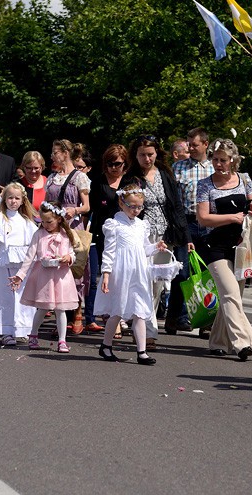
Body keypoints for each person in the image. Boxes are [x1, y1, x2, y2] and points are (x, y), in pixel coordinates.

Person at [196, 138, 252, 360]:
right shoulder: (205, 185)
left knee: (232, 297)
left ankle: (217, 341)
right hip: (215, 246)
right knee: (230, 293)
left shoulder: (244, 180)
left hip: (241, 246)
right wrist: (231, 217)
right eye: (214, 159)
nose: (217, 164)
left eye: (222, 160)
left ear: (233, 160)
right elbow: (203, 218)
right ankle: (244, 342)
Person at [124, 135, 192, 349]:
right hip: (140, 237)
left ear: (157, 154)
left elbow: (177, 207)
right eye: (143, 155)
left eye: (151, 154)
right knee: (143, 284)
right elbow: (124, 206)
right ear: (135, 155)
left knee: (158, 285)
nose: (147, 158)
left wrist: (186, 238)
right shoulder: (131, 178)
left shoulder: (165, 174)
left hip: (164, 238)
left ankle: (144, 328)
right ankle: (147, 331)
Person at [93, 185, 166, 365]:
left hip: (138, 273)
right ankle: (106, 345)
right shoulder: (114, 225)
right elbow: (109, 252)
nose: (136, 210)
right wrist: (106, 273)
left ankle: (142, 352)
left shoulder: (141, 225)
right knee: (118, 311)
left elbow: (143, 250)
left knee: (140, 311)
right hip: (121, 272)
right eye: (132, 206)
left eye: (139, 207)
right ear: (121, 203)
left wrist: (156, 247)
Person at [10, 201, 77, 352]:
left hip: (62, 277)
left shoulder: (66, 234)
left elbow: (72, 253)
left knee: (61, 309)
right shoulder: (39, 234)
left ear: (59, 219)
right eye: (43, 222)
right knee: (42, 308)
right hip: (44, 277)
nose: (46, 225)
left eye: (49, 222)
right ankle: (33, 334)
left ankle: (62, 340)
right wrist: (20, 275)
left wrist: (69, 258)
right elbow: (29, 256)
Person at [46, 140, 92, 335]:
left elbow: (87, 206)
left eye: (55, 152)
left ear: (65, 153)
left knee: (75, 269)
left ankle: (77, 313)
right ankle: (61, 318)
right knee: (57, 271)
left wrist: (74, 210)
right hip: (55, 226)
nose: (52, 156)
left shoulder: (79, 177)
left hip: (72, 227)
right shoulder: (51, 178)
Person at [172, 127, 214, 335]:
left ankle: (206, 320)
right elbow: (173, 199)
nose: (191, 148)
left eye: (195, 144)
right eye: (189, 144)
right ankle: (177, 316)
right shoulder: (178, 167)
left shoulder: (215, 168)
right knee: (182, 272)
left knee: (206, 272)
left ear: (206, 144)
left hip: (208, 223)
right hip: (185, 221)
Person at [86, 144, 129, 335]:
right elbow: (92, 210)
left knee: (121, 278)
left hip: (125, 236)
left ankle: (119, 315)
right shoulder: (98, 182)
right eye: (110, 163)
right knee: (102, 277)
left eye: (118, 163)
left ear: (125, 163)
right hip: (101, 234)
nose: (113, 167)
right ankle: (109, 316)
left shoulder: (130, 182)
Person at [0, 182, 38, 346]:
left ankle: (23, 328)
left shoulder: (26, 221)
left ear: (22, 200)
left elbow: (35, 240)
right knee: (5, 296)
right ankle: (6, 330)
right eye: (10, 197)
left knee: (23, 296)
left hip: (23, 264)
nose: (13, 201)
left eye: (17, 198)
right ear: (4, 199)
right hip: (5, 263)